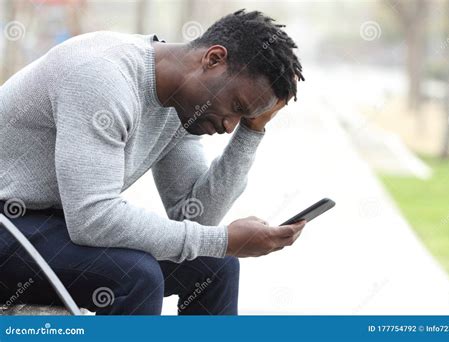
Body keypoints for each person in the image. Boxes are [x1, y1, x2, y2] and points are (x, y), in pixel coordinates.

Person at [0, 9, 305, 315]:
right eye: (236, 107)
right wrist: (223, 239)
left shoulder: (182, 106)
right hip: (8, 223)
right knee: (137, 276)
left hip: (55, 226)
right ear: (213, 59)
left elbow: (195, 218)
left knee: (217, 266)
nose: (229, 126)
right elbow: (93, 218)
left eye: (243, 118)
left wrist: (251, 132)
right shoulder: (102, 76)